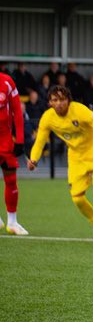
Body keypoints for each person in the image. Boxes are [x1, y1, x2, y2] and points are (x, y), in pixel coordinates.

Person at [27, 85, 93, 241]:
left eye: (62, 99)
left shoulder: (81, 111)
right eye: (55, 100)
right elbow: (40, 141)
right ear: (49, 103)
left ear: (68, 100)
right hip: (76, 159)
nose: (59, 103)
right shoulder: (48, 118)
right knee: (77, 198)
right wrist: (34, 158)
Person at [0, 71, 28, 235]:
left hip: (5, 141)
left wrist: (20, 140)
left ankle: (12, 222)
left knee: (11, 179)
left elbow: (18, 112)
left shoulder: (7, 82)